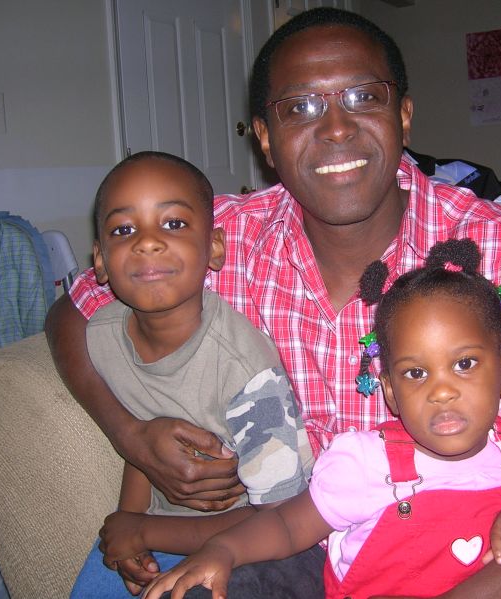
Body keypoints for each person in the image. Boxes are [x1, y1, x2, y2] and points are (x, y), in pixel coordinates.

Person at [46, 7, 501, 598]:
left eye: (363, 97)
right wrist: (129, 435)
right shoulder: (212, 240)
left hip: (486, 543)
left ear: (403, 115)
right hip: (293, 544)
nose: (336, 128)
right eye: (300, 107)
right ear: (264, 138)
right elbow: (73, 311)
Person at [141, 238, 501, 599]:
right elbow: (288, 526)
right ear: (390, 392)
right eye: (415, 373)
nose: (441, 391)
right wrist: (224, 550)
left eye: (464, 364)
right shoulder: (366, 463)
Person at [68, 151, 319, 598]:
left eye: (173, 223)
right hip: (156, 528)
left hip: (248, 539)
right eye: (124, 230)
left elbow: (281, 514)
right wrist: (130, 531)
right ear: (100, 260)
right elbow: (141, 439)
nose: (147, 242)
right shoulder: (102, 337)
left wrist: (143, 530)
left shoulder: (245, 371)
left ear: (214, 248)